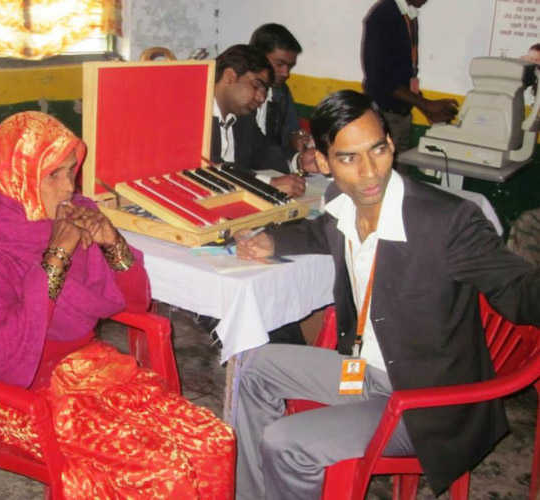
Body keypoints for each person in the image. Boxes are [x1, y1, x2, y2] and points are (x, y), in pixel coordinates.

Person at [232, 90, 540, 499]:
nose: (369, 172)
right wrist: (273, 240)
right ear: (322, 163)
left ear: (391, 143)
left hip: (424, 401)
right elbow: (322, 230)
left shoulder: (447, 221)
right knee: (250, 365)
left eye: (377, 150)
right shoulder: (340, 201)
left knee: (285, 443)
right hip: (363, 372)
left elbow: (518, 289)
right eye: (348, 158)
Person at [0, 111, 235, 499]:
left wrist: (112, 242)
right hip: (26, 396)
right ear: (17, 178)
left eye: (71, 170)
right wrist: (56, 257)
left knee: (213, 440)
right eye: (53, 174)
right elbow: (2, 358)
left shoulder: (76, 214)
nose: (69, 187)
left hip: (93, 372)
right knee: (164, 470)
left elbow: (135, 302)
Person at [211, 44, 317, 199]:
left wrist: (299, 161)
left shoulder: (243, 118)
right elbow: (209, 166)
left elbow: (264, 150)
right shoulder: (190, 115)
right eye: (256, 86)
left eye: (264, 91)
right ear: (230, 77)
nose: (261, 98)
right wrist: (267, 184)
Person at [362, 0, 459, 158]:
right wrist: (426, 104)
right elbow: (381, 79)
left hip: (402, 116)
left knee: (401, 170)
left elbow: (401, 76)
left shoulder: (408, 15)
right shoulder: (384, 14)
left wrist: (425, 108)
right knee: (384, 170)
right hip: (384, 117)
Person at [249, 23, 305, 153]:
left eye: (290, 66)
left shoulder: (281, 93)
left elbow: (290, 134)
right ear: (257, 57)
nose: (286, 73)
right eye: (279, 64)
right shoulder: (238, 93)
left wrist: (295, 141)